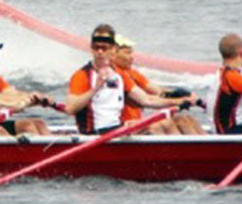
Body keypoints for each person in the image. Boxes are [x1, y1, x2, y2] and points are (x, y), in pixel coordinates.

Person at [64, 25, 195, 135]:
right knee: (155, 126)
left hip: (115, 128)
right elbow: (70, 108)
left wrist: (180, 101)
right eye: (95, 47)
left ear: (113, 49)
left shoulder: (119, 74)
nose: (99, 52)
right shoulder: (82, 75)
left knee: (173, 121)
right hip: (94, 133)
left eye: (104, 48)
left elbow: (147, 100)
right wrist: (95, 88)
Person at [111, 33, 203, 135]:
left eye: (132, 52)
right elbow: (147, 101)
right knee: (167, 124)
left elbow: (159, 91)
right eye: (127, 53)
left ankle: (206, 142)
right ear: (113, 54)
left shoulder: (131, 73)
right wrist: (179, 101)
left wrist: (181, 95)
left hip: (134, 123)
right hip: (122, 127)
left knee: (185, 119)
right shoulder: (115, 74)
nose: (132, 57)